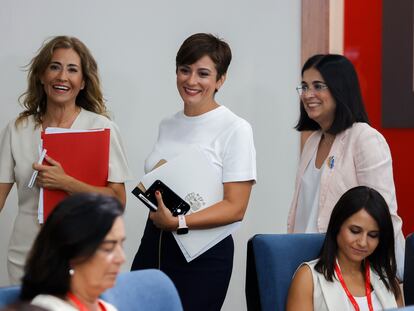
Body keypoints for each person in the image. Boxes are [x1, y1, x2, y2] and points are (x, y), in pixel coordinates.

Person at [131, 33, 256, 310]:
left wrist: (179, 223)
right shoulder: (168, 124)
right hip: (155, 240)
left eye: (203, 73)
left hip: (203, 252)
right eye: (184, 70)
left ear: (220, 80)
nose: (191, 81)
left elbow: (235, 207)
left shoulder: (235, 128)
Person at [0, 36, 131, 284]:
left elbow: (117, 202)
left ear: (82, 82)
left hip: (82, 254)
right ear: (41, 75)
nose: (62, 77)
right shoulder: (17, 129)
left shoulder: (101, 129)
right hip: (26, 255)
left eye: (72, 70)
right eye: (54, 66)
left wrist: (67, 183)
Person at [287, 54, 405, 279]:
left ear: (340, 89)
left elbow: (382, 214)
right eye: (304, 86)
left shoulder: (365, 138)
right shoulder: (312, 141)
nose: (308, 94)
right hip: (308, 266)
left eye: (318, 86)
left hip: (352, 271)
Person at [286, 186, 403, 310]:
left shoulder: (388, 281)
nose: (363, 242)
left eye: (373, 235)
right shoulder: (309, 278)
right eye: (355, 231)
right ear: (337, 226)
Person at [20, 193, 125, 311]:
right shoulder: (47, 308)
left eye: (121, 245)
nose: (121, 258)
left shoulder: (107, 307)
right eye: (108, 247)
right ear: (72, 252)